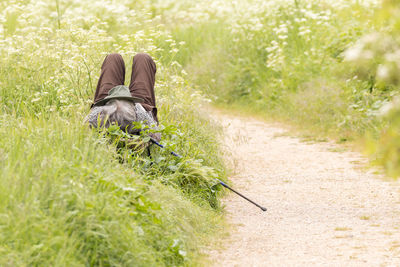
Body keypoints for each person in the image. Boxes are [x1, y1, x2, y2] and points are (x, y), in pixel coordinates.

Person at [86, 53, 161, 141]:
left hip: (108, 102)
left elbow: (85, 130)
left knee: (113, 58)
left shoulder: (98, 114)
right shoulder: (140, 114)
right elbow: (156, 134)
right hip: (129, 105)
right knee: (143, 58)